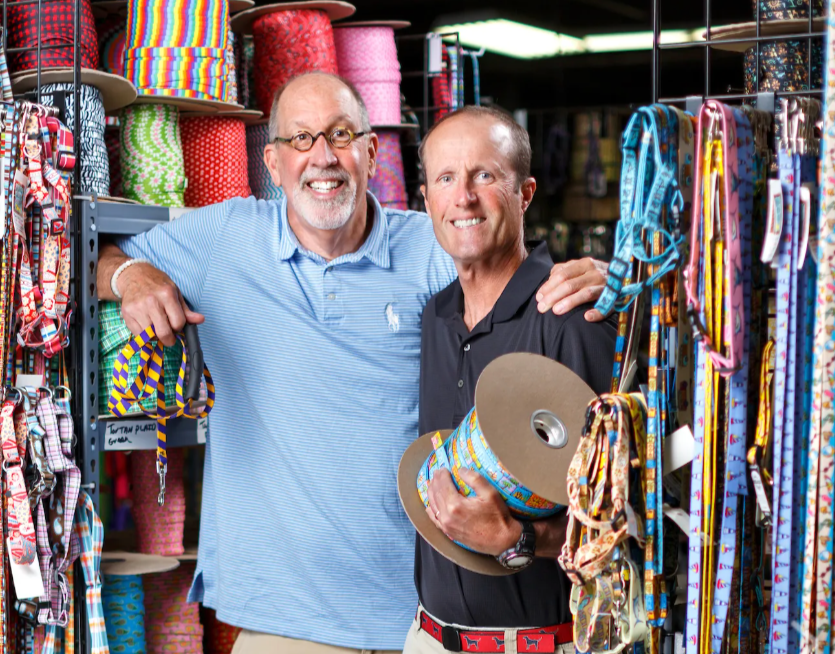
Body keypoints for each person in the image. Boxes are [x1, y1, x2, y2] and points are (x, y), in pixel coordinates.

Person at [97, 72, 607, 653]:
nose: (323, 157)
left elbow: (502, 261)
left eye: (340, 135)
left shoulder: (432, 254)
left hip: (421, 622)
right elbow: (82, 254)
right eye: (302, 139)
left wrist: (607, 280)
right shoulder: (223, 239)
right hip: (281, 625)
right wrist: (127, 274)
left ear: (369, 151)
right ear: (272, 160)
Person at [404, 105, 617, 654]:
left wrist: (519, 539)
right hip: (429, 638)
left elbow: (631, 521)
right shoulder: (435, 317)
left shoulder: (573, 318)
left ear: (524, 194)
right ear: (426, 200)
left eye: (485, 176)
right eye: (446, 178)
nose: (464, 198)